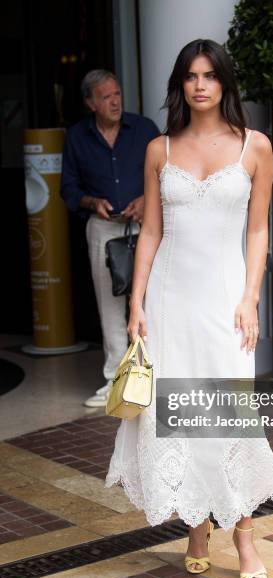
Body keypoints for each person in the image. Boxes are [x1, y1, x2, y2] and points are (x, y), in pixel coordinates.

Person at [106, 40, 273, 578]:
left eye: (210, 75)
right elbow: (153, 233)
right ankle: (195, 527)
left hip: (225, 302)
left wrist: (250, 297)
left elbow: (258, 230)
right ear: (180, 85)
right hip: (169, 299)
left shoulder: (255, 147)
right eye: (191, 76)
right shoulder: (159, 150)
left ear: (225, 83)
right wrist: (136, 301)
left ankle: (243, 535)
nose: (200, 85)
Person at [61, 70, 160, 409]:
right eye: (106, 97)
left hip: (146, 226)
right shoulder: (76, 137)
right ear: (90, 103)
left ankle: (157, 376)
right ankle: (116, 382)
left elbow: (168, 170)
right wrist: (92, 202)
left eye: (117, 94)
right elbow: (68, 188)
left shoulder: (144, 129)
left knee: (153, 299)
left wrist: (148, 199)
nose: (115, 101)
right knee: (110, 305)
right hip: (103, 228)